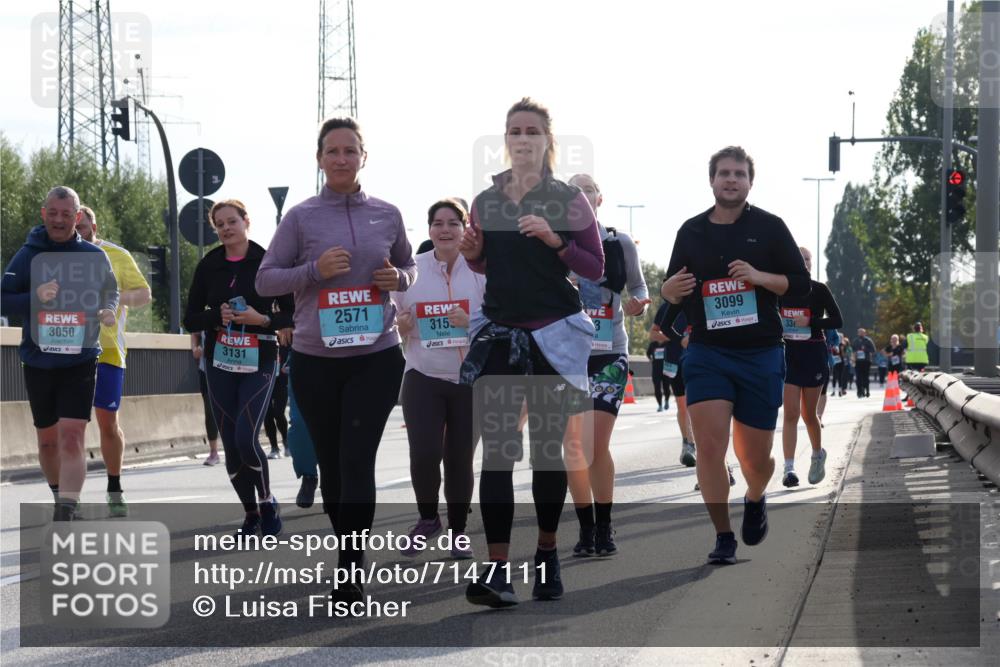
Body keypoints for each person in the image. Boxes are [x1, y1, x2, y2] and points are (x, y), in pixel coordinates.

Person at [256, 117, 415, 604]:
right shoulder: (301, 218)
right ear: (320, 159)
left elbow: (408, 266)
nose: (341, 158)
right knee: (332, 466)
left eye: (350, 150)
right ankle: (347, 555)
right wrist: (313, 270)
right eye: (332, 151)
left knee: (356, 460)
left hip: (376, 355)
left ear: (363, 157)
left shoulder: (386, 214)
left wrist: (399, 281)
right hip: (316, 359)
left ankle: (350, 571)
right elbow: (265, 281)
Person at [458, 98, 604, 606]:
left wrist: (554, 241)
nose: (523, 139)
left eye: (532, 131)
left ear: (547, 141)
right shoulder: (485, 200)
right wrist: (475, 255)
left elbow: (593, 266)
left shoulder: (567, 198)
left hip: (553, 333)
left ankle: (546, 554)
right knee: (496, 455)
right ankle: (498, 569)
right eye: (515, 130)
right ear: (506, 139)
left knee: (547, 454)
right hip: (500, 333)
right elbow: (484, 266)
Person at [660, 146, 810, 565]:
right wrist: (666, 291)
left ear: (749, 182)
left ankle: (756, 495)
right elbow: (673, 288)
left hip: (760, 353)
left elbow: (799, 285)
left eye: (739, 174)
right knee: (710, 446)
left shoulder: (770, 227)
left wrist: (759, 277)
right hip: (708, 352)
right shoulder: (690, 232)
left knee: (754, 459)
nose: (731, 180)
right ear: (711, 180)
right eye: (724, 173)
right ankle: (723, 535)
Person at [1, 186, 119, 520]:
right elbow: (3, 298)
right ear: (43, 213)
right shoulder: (28, 255)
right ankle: (59, 496)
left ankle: (66, 511)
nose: (59, 220)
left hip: (81, 357)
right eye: (53, 213)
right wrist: (35, 296)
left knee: (71, 437)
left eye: (67, 215)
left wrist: (109, 309)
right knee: (48, 442)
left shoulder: (94, 256)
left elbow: (111, 290)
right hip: (38, 359)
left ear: (78, 217)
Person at [184, 199, 294, 538]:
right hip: (220, 360)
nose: (227, 228)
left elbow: (292, 315)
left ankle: (267, 502)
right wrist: (216, 316)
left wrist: (261, 320)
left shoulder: (267, 262)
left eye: (232, 221)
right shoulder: (209, 265)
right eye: (220, 224)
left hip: (259, 356)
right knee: (231, 444)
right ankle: (250, 516)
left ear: (246, 221)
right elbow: (188, 319)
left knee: (246, 438)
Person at [391, 198, 485, 560]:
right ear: (429, 229)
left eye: (453, 223)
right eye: (438, 223)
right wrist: (400, 326)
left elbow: (498, 320)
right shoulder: (412, 270)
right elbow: (391, 316)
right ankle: (428, 519)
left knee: (459, 459)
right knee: (425, 452)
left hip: (469, 378)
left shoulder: (480, 271)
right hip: (422, 374)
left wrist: (471, 323)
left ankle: (459, 532)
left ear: (465, 229)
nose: (445, 230)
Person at [561, 173, 649, 559]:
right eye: (572, 192)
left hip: (609, 353)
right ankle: (585, 528)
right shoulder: (554, 244)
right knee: (573, 448)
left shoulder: (618, 243)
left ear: (598, 200)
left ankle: (604, 523)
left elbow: (640, 287)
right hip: (566, 356)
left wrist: (638, 304)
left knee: (595, 444)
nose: (580, 197)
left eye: (588, 191)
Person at [74, 206, 152, 516]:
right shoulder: (58, 257)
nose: (78, 232)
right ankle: (71, 498)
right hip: (70, 351)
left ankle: (114, 486)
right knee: (72, 428)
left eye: (83, 226)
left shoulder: (116, 255)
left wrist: (115, 297)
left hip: (108, 352)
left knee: (108, 423)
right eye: (73, 226)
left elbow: (144, 294)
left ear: (94, 224)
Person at [778, 247, 842, 487]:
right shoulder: (780, 290)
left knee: (809, 415)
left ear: (811, 263)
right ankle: (789, 469)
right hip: (790, 355)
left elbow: (837, 320)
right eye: (799, 259)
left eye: (807, 260)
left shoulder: (819, 289)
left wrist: (811, 321)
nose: (803, 263)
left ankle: (817, 455)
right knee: (791, 413)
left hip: (814, 354)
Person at [190, 332, 221, 465]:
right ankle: (214, 452)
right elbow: (195, 333)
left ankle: (236, 449)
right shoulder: (205, 312)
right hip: (206, 369)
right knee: (210, 410)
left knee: (231, 410)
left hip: (231, 367)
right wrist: (195, 348)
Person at [264, 340, 290, 459]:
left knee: (278, 413)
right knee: (267, 414)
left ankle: (286, 442)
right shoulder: (265, 340)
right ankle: (274, 447)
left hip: (281, 382)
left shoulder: (286, 340)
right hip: (265, 380)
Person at [646, 337, 669, 411]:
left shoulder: (667, 343)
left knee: (666, 387)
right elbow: (648, 353)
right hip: (656, 369)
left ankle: (666, 401)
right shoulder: (653, 344)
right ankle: (660, 405)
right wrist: (651, 359)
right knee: (657, 388)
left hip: (666, 369)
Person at [852, 327, 876, 398]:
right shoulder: (855, 341)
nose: (861, 333)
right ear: (858, 333)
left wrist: (865, 349)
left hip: (866, 361)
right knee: (858, 377)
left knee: (866, 377)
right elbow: (852, 350)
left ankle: (867, 390)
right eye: (860, 332)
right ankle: (859, 391)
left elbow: (873, 350)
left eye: (862, 332)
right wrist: (855, 354)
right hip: (858, 361)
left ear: (865, 333)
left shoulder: (868, 340)